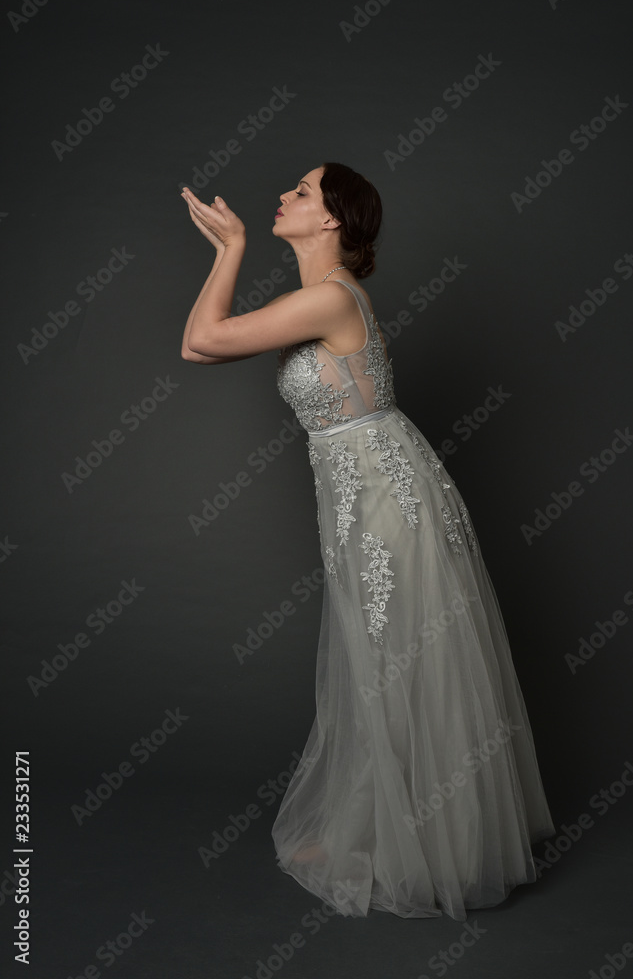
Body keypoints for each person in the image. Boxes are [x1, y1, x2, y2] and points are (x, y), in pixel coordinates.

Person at [180, 161, 555, 921]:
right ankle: (395, 825)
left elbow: (201, 341)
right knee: (379, 658)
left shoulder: (326, 297)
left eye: (301, 191)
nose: (282, 195)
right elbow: (204, 350)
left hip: (383, 498)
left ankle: (433, 846)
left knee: (396, 657)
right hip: (362, 492)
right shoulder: (326, 296)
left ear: (331, 221)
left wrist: (228, 250)